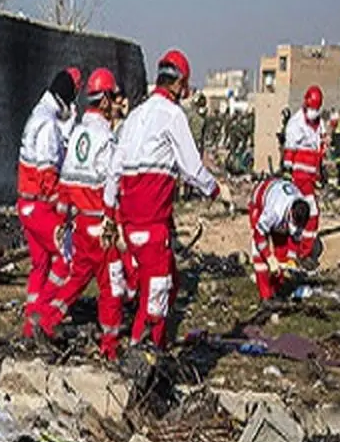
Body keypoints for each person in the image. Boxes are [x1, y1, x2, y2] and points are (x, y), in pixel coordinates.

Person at [104, 49, 220, 349]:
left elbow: (114, 169)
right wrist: (214, 189)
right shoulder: (173, 115)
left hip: (129, 221)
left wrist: (109, 212)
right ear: (179, 83)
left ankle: (156, 338)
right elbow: (192, 168)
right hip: (152, 222)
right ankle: (144, 352)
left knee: (170, 280)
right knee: (156, 293)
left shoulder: (135, 115)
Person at [35, 68, 128, 359]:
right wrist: (115, 220)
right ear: (105, 101)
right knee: (112, 285)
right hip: (100, 223)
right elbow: (113, 184)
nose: (117, 104)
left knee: (76, 278)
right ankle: (110, 345)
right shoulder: (106, 139)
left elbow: (65, 182)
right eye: (114, 98)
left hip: (80, 224)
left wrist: (64, 220)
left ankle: (47, 320)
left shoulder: (77, 134)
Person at [18, 69, 79, 337]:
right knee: (66, 258)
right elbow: (47, 174)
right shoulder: (47, 124)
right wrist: (64, 206)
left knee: (40, 263)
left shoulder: (38, 116)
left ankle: (30, 322)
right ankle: (42, 317)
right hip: (40, 206)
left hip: (26, 204)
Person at [248, 177, 311, 300]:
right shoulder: (274, 212)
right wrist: (269, 257)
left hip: (280, 196)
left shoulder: (302, 208)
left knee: (282, 251)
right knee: (260, 258)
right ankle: (266, 297)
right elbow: (259, 235)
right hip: (260, 202)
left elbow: (295, 238)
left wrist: (291, 259)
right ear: (290, 212)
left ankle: (278, 288)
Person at [281, 86, 325, 258]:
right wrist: (287, 171)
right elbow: (290, 150)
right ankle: (302, 252)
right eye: (312, 108)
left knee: (302, 213)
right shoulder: (296, 123)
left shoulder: (319, 123)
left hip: (310, 177)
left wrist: (320, 171)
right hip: (299, 177)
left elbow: (320, 148)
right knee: (310, 212)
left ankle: (296, 250)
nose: (314, 112)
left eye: (316, 108)